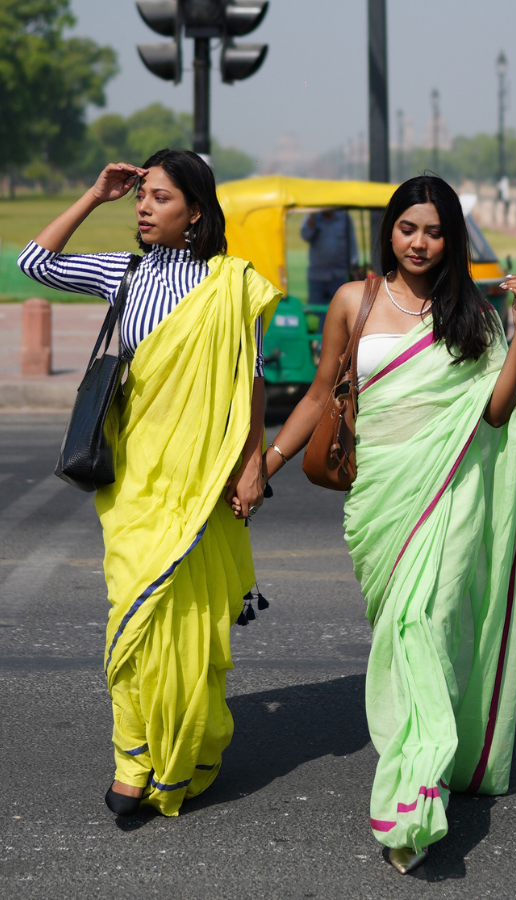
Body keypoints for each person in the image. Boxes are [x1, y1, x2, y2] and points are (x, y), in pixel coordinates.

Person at [255, 175, 516, 874]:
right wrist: (269, 461)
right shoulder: (357, 299)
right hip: (381, 500)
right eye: (408, 228)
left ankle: (415, 790)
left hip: (451, 493)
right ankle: (426, 755)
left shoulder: (472, 310)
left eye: (435, 231)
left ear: (452, 239)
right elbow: (322, 393)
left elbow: (495, 413)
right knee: (399, 633)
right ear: (390, 231)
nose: (420, 242)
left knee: (428, 629)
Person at [18, 150, 281, 817]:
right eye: (141, 196)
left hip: (203, 481)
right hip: (135, 480)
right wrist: (92, 194)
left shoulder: (233, 284)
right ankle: (132, 754)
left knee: (192, 625)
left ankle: (186, 749)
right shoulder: (123, 271)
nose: (143, 206)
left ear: (196, 211)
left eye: (160, 198)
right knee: (130, 618)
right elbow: (35, 264)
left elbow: (250, 381)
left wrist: (253, 463)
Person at [301, 209, 359, 307]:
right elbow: (306, 235)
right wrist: (312, 217)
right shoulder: (313, 216)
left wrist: (354, 263)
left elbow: (351, 242)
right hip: (317, 275)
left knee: (339, 309)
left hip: (338, 274)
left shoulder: (344, 217)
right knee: (316, 311)